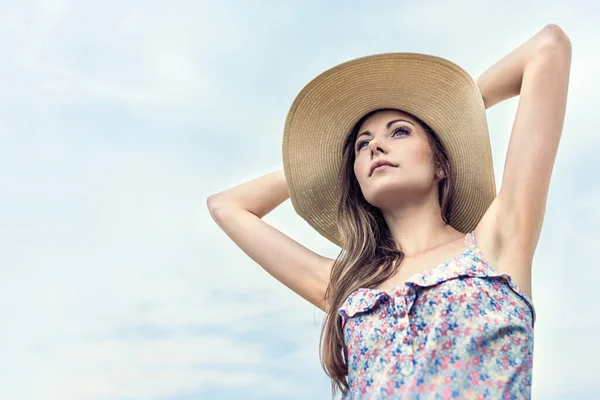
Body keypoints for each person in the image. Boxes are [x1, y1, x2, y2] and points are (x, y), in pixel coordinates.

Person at [207, 24, 571, 399]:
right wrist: (324, 165)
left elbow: (548, 48)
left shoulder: (497, 244)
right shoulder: (350, 286)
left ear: (440, 164)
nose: (376, 146)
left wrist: (454, 114)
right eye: (362, 146)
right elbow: (227, 206)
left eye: (399, 132)